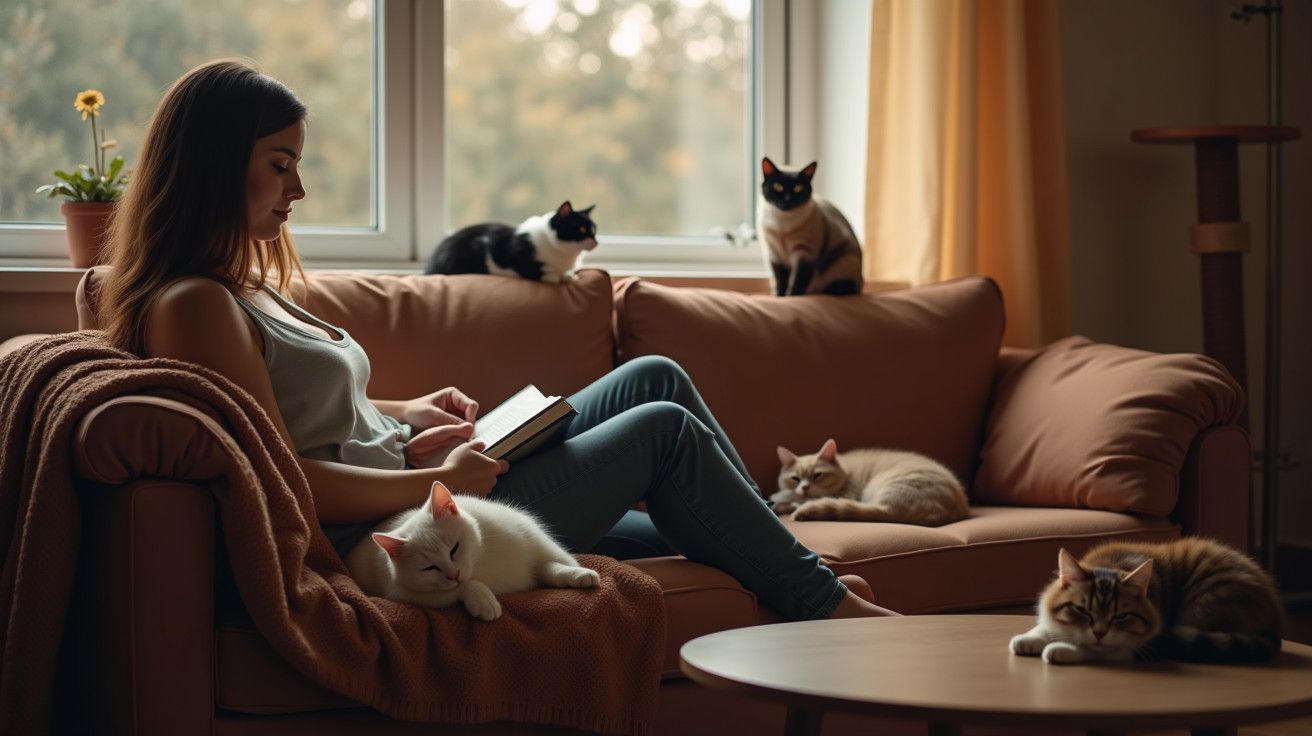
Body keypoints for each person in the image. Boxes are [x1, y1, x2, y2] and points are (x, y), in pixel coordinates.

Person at [97, 58, 894, 621]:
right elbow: (283, 482)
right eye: (280, 165)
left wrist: (407, 412)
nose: (298, 189)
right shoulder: (193, 306)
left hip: (425, 484)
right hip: (404, 531)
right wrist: (445, 480)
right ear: (212, 167)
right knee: (665, 434)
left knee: (653, 377)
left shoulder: (237, 288)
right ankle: (821, 599)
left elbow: (299, 411)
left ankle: (787, 562)